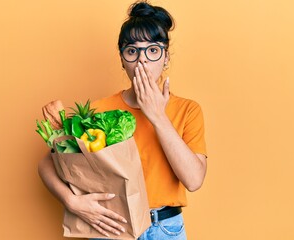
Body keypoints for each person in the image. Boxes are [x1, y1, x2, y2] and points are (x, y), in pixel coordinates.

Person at [38, 1, 207, 239]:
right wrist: (72, 201)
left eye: (153, 50)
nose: (142, 60)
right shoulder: (98, 110)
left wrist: (157, 115)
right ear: (122, 60)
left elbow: (194, 179)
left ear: (166, 57)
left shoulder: (188, 110)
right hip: (112, 227)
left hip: (165, 229)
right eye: (132, 51)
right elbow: (48, 163)